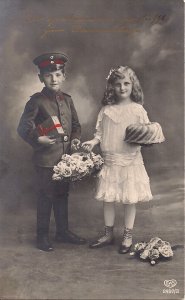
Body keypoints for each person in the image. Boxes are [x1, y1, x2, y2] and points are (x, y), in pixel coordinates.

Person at [17, 53, 86, 251]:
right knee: (46, 197)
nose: (54, 79)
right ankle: (42, 236)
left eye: (57, 74)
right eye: (48, 75)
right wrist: (38, 139)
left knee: (62, 195)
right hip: (46, 160)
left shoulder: (67, 100)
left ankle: (62, 232)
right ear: (40, 78)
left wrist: (75, 140)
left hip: (65, 160)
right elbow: (22, 128)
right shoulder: (36, 102)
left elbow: (76, 125)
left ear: (64, 76)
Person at [82, 66, 153, 254]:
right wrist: (93, 142)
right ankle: (108, 234)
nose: (122, 88)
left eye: (126, 83)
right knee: (109, 198)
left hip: (130, 160)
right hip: (111, 160)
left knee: (130, 199)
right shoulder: (106, 110)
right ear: (112, 87)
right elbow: (100, 133)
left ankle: (127, 236)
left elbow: (147, 132)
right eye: (118, 84)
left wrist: (145, 139)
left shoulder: (138, 110)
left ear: (133, 85)